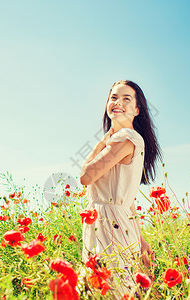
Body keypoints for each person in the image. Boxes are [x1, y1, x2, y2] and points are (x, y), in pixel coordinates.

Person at [79, 80, 163, 298]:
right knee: (112, 288)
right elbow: (128, 200)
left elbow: (85, 176)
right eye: (113, 97)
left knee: (111, 289)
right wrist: (142, 240)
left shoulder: (125, 139)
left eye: (127, 98)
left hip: (109, 224)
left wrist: (101, 143)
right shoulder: (125, 139)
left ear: (137, 110)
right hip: (117, 220)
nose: (118, 102)